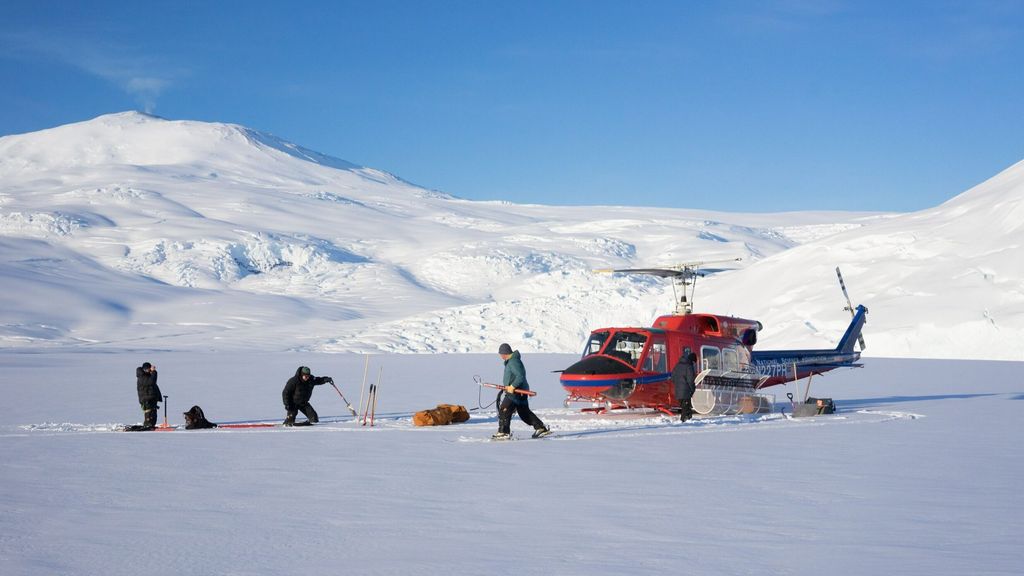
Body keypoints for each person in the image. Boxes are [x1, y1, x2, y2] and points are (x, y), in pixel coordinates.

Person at [493, 343, 550, 439]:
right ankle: (540, 428)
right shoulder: (512, 361)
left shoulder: (513, 362)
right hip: (519, 392)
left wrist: (512, 386)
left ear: (504, 353)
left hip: (516, 392)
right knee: (524, 413)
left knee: (504, 410)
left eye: (501, 354)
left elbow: (520, 376)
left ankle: (503, 432)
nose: (500, 356)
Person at [671, 350, 698, 422]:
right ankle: (684, 423)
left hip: (678, 391)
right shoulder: (689, 366)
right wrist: (693, 389)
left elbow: (672, 378)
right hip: (686, 392)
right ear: (692, 360)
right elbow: (690, 380)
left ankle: (685, 421)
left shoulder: (677, 365)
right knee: (686, 410)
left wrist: (678, 385)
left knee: (684, 408)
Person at [135, 362, 162, 430]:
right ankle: (147, 425)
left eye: (149, 369)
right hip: (146, 398)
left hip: (151, 398)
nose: (149, 371)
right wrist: (154, 372)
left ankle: (151, 425)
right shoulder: (141, 376)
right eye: (148, 369)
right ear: (144, 369)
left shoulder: (147, 375)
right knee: (149, 412)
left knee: (153, 412)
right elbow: (151, 382)